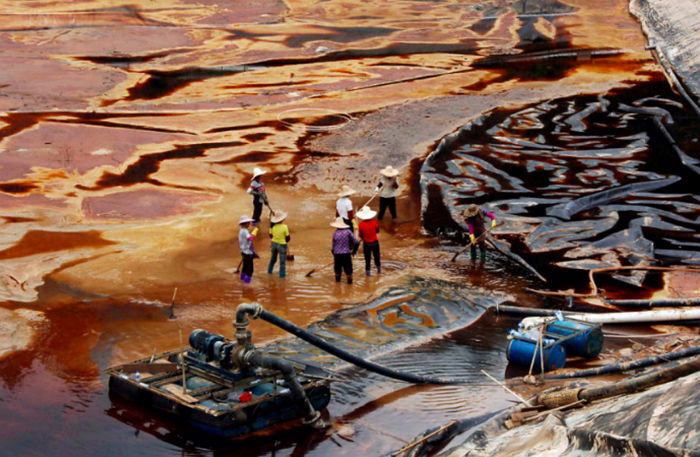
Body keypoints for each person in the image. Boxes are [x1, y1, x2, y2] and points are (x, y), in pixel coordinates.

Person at [330, 216, 359, 284]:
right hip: (346, 254)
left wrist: (335, 255)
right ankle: (350, 287)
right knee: (349, 271)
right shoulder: (348, 231)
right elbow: (356, 242)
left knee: (337, 271)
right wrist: (354, 251)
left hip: (337, 254)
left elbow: (333, 248)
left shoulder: (335, 233)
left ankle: (337, 287)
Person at [357, 206, 381, 276]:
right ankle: (379, 271)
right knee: (377, 257)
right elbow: (377, 231)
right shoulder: (375, 222)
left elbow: (360, 235)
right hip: (375, 243)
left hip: (366, 244)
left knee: (367, 260)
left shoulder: (361, 225)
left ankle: (368, 273)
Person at [267, 211, 290, 278]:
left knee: (273, 259)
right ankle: (282, 275)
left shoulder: (272, 227)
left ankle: (269, 271)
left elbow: (271, 236)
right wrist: (285, 241)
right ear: (282, 219)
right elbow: (288, 238)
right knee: (282, 262)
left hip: (274, 244)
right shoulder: (285, 227)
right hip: (282, 245)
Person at [238, 215, 259, 283]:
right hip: (248, 252)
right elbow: (251, 238)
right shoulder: (245, 231)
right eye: (248, 223)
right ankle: (246, 283)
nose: (249, 224)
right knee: (250, 269)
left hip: (244, 252)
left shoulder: (241, 231)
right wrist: (255, 231)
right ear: (245, 223)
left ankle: (242, 278)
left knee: (245, 267)